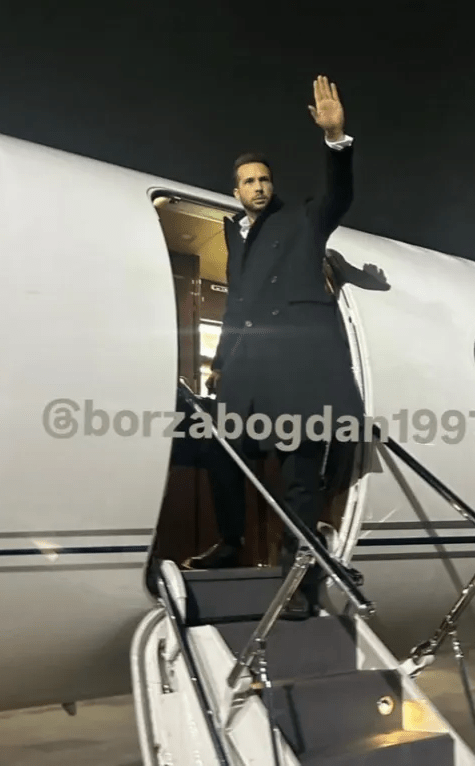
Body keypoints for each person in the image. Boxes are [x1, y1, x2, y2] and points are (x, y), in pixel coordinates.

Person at [186, 75, 365, 619]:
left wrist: (336, 140)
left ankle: (300, 583)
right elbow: (238, 307)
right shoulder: (235, 236)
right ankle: (233, 542)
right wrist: (218, 368)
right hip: (247, 377)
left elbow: (339, 197)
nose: (259, 186)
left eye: (265, 178)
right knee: (221, 451)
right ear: (236, 190)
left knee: (299, 483)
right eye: (249, 181)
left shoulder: (303, 219)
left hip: (299, 375)